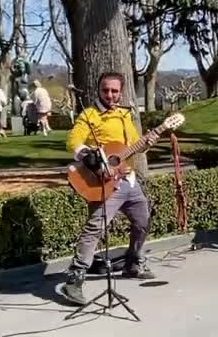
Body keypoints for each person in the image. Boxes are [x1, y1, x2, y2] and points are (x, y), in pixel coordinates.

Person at [62, 71, 159, 306]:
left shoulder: (125, 115)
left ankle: (133, 263)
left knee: (143, 221)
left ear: (121, 91)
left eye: (115, 91)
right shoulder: (89, 114)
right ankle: (74, 280)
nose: (110, 95)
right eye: (106, 90)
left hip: (129, 180)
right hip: (104, 182)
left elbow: (134, 146)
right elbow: (73, 141)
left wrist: (147, 143)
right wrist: (89, 157)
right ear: (99, 89)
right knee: (95, 228)